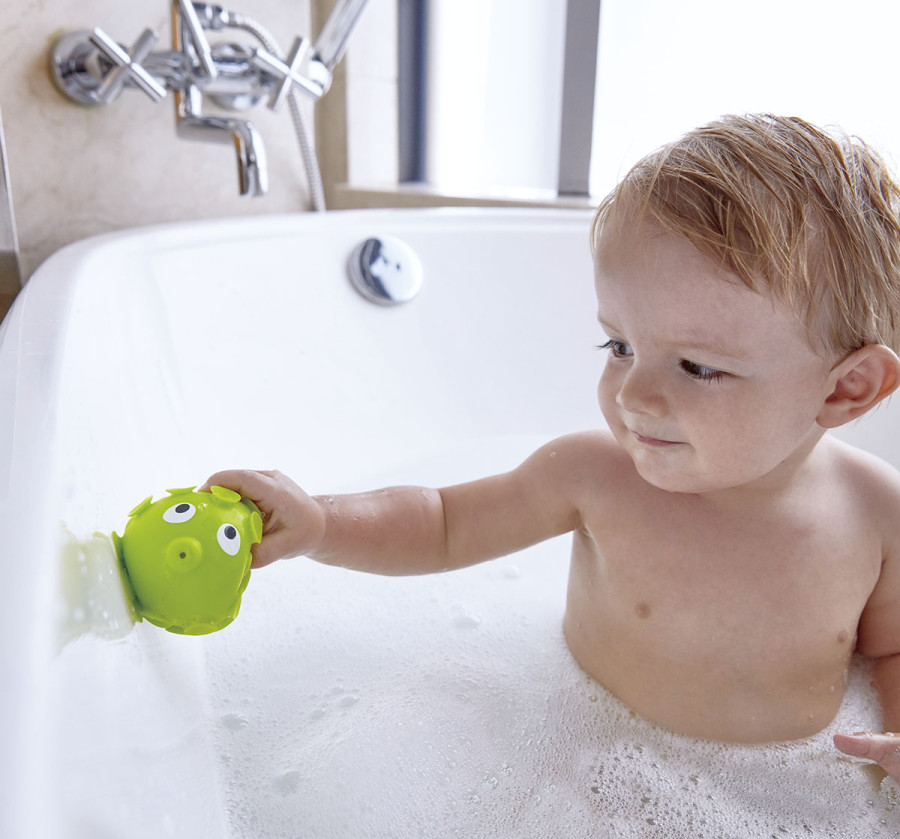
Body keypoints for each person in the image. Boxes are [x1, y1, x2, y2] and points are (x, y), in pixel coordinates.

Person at [204, 114, 900, 782]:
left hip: (800, 788)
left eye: (698, 367)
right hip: (592, 763)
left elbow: (892, 649)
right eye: (620, 346)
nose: (633, 396)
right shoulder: (596, 476)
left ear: (847, 391)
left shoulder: (876, 515)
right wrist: (322, 524)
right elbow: (442, 525)